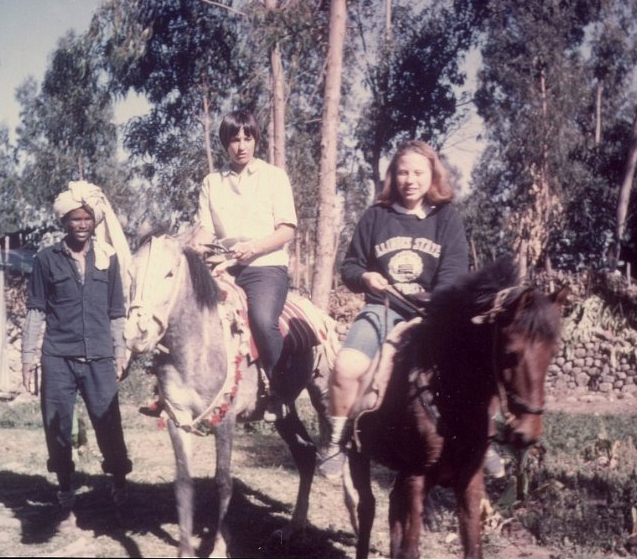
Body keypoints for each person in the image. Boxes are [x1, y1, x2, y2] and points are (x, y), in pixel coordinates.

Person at [317, 141, 470, 479]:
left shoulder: (446, 219)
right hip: (382, 311)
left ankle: (479, 443)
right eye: (403, 172)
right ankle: (336, 442)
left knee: (469, 370)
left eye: (418, 172)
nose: (410, 180)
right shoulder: (376, 216)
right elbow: (350, 267)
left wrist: (433, 308)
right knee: (345, 367)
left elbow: (455, 274)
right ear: (392, 176)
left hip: (432, 317)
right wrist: (366, 277)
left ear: (432, 175)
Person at [21, 181, 133, 517]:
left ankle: (119, 482)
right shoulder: (46, 259)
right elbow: (36, 311)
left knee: (109, 424)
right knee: (57, 426)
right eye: (75, 219)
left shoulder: (108, 258)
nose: (82, 225)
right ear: (64, 221)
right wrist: (28, 359)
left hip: (99, 357)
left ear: (95, 221)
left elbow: (117, 311)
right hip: (58, 357)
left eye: (87, 219)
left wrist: (120, 352)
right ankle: (65, 487)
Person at [191, 109, 298, 418]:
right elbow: (206, 228)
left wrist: (252, 248)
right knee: (190, 314)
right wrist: (197, 243)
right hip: (224, 267)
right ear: (225, 143)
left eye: (247, 138)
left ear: (256, 140)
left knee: (262, 320)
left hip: (266, 265)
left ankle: (280, 391)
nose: (241, 146)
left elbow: (286, 230)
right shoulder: (212, 182)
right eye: (234, 139)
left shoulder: (274, 177)